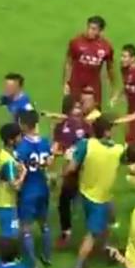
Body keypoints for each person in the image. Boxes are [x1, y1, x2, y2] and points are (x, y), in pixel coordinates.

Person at [69, 116, 126, 268]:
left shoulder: (86, 144)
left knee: (109, 218)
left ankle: (106, 249)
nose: (114, 131)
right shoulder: (118, 150)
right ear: (106, 132)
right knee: (92, 234)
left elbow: (72, 167)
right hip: (99, 199)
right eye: (112, 129)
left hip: (86, 193)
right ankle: (79, 266)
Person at [15, 110, 53, 268]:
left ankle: (32, 265)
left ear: (23, 125)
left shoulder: (22, 146)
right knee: (44, 224)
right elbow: (49, 162)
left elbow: (19, 170)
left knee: (26, 228)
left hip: (28, 191)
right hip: (43, 188)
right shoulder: (45, 142)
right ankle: (47, 256)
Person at [51, 95, 90, 247]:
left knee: (90, 199)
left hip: (86, 169)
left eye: (79, 107)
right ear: (67, 110)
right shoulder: (60, 127)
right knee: (64, 200)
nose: (78, 111)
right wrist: (53, 159)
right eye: (75, 108)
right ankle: (66, 231)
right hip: (71, 170)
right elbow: (56, 146)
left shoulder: (87, 126)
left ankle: (99, 228)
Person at [64, 15, 116, 104]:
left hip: (94, 88)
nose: (89, 31)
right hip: (75, 86)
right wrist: (66, 83)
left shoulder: (106, 47)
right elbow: (69, 62)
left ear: (101, 31)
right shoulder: (76, 42)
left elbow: (110, 68)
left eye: (93, 29)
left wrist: (113, 88)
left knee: (93, 112)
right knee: (73, 110)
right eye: (88, 27)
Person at [112, 43, 135, 143]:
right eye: (121, 56)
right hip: (131, 110)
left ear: (133, 58)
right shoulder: (124, 70)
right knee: (129, 139)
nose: (122, 59)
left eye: (125, 57)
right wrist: (117, 96)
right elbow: (127, 85)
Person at [0, 123, 26, 239]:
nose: (21, 138)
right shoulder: (8, 161)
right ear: (11, 140)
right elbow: (15, 186)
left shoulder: (4, 153)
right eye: (19, 136)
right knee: (10, 235)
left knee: (11, 233)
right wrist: (23, 173)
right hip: (6, 203)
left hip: (2, 199)